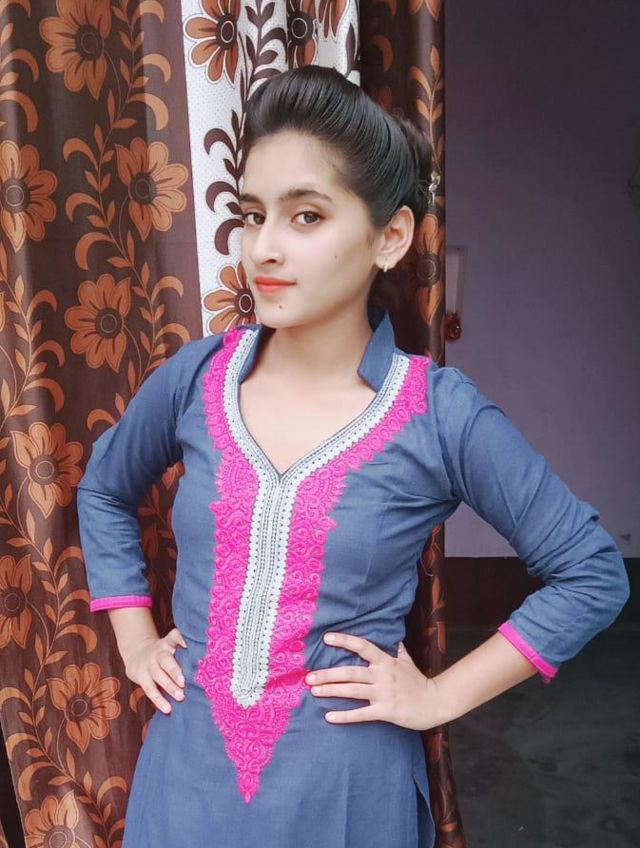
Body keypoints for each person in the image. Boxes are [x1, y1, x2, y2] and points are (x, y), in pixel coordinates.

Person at [76, 65, 630, 848]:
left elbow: (592, 573)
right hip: (185, 783)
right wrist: (135, 640)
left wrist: (438, 698)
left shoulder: (437, 414)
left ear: (390, 237)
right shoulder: (196, 380)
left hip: (345, 794)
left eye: (306, 215)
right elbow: (103, 490)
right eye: (252, 214)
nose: (264, 247)